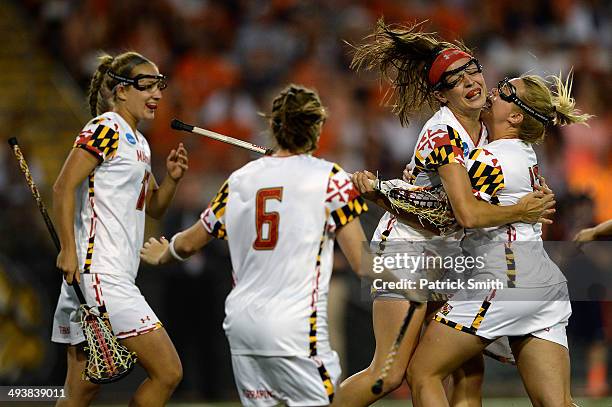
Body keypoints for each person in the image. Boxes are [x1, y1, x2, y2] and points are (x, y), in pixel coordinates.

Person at [334, 20, 555, 407]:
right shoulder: (443, 134)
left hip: (449, 253)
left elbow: (465, 204)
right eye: (455, 80)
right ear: (441, 96)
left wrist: (530, 196)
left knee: (469, 374)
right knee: (388, 375)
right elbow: (464, 213)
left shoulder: (488, 130)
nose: (470, 81)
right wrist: (523, 208)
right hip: (407, 248)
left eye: (473, 70)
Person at [140, 84, 377, 406]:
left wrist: (165, 252)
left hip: (242, 327)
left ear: (274, 127)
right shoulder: (332, 179)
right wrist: (430, 270)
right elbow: (364, 263)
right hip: (294, 331)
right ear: (317, 129)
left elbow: (190, 242)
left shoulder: (239, 180)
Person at [407, 73, 591, 406]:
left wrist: (390, 189)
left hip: (503, 281)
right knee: (557, 403)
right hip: (542, 285)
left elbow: (452, 211)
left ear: (517, 115)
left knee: (423, 374)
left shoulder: (491, 159)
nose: (494, 90)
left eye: (506, 91)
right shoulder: (522, 153)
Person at [52, 51, 188, 407]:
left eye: (160, 84)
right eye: (146, 84)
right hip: (100, 276)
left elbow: (154, 207)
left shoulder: (138, 142)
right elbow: (63, 187)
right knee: (168, 371)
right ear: (121, 91)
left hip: (105, 277)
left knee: (79, 392)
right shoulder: (106, 128)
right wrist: (67, 248)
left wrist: (171, 181)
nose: (157, 93)